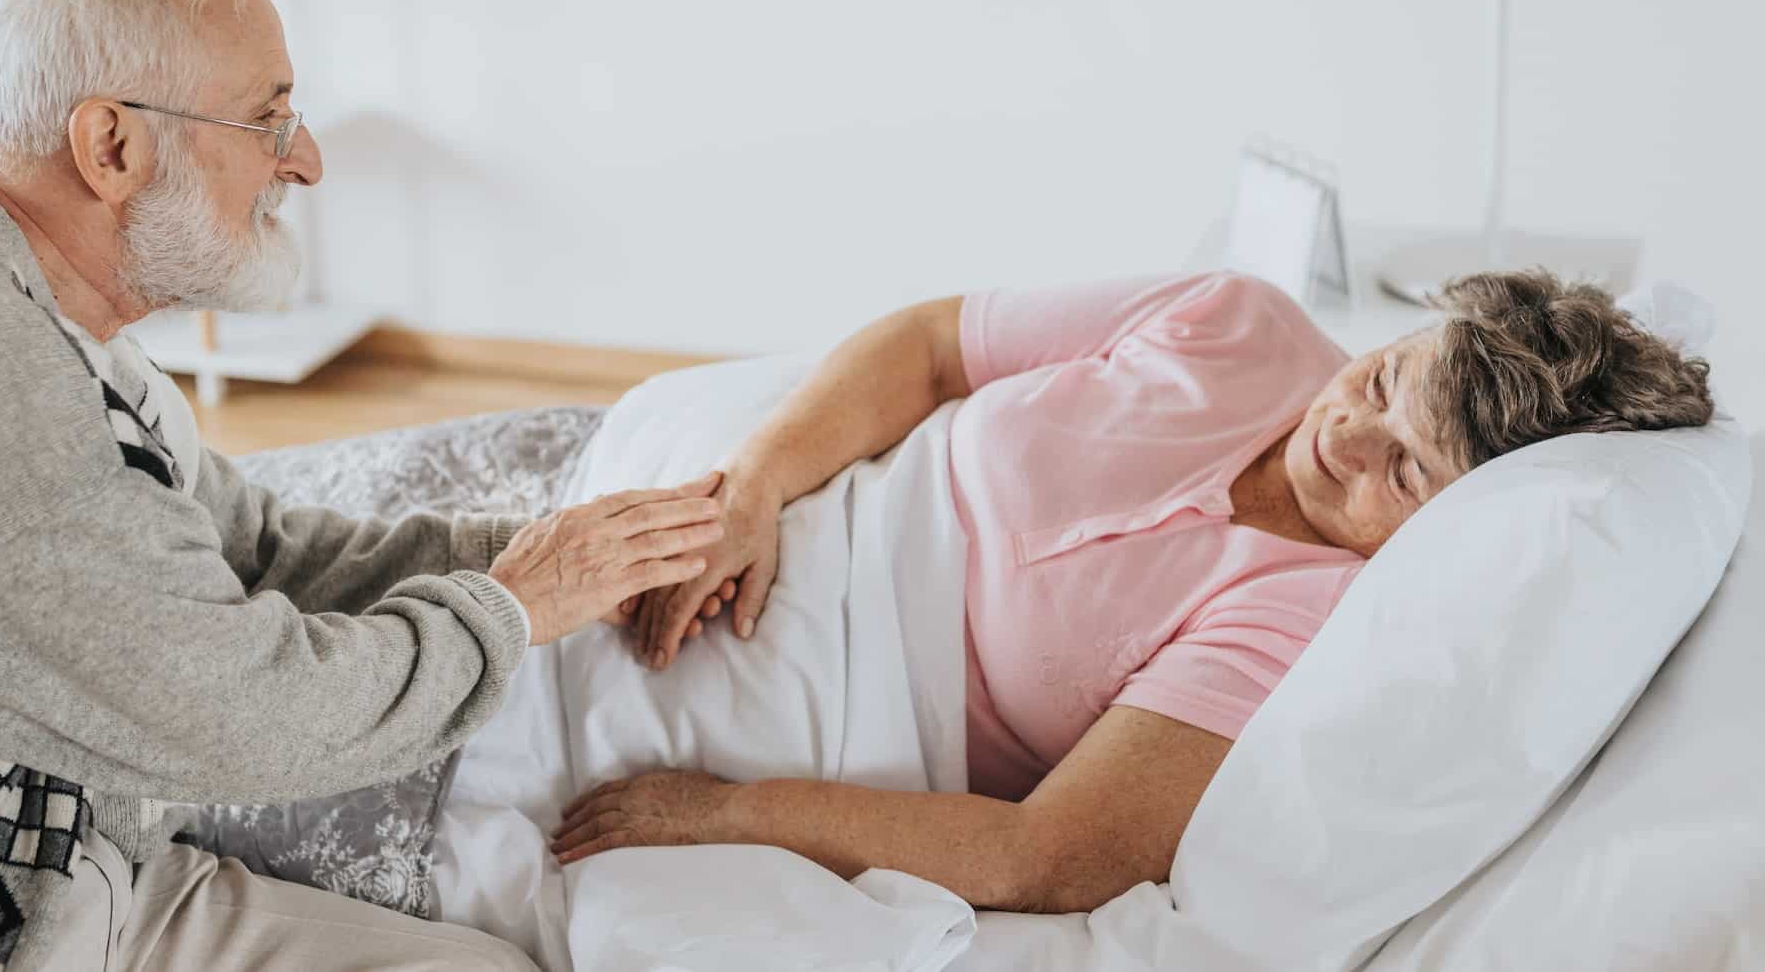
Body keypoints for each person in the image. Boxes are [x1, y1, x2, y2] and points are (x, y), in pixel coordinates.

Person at [0, 0, 724, 971]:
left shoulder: (35, 312)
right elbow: (260, 719)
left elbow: (252, 548)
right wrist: (514, 608)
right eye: (267, 120)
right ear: (112, 147)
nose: (302, 161)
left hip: (75, 871)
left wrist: (547, 552)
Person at [552, 269, 1714, 912]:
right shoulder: (1237, 322)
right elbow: (925, 348)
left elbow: (1042, 856)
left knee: (459, 680)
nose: (1345, 435)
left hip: (802, 687)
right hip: (770, 489)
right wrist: (748, 489)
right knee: (445, 565)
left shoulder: (1305, 622)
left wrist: (718, 814)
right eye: (1380, 378)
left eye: (1406, 467)